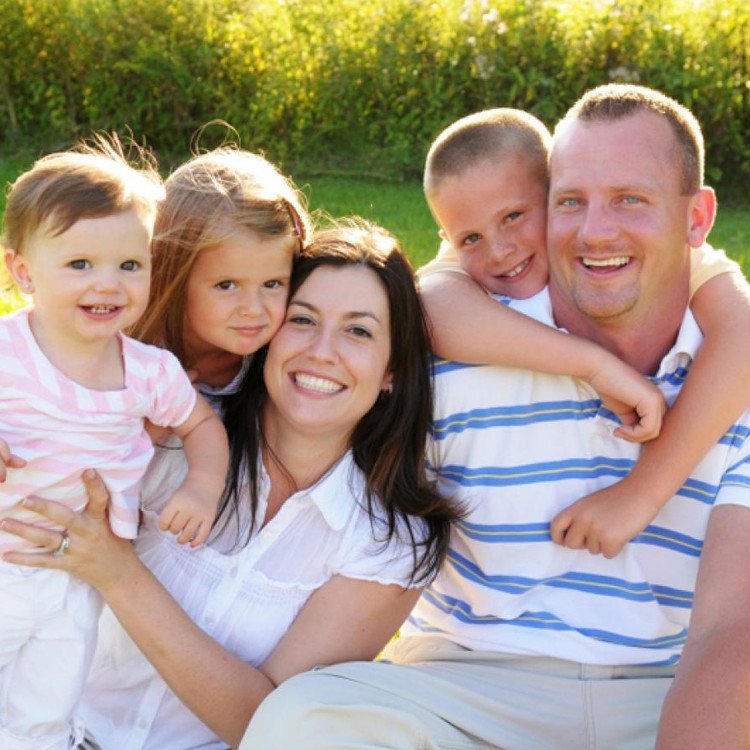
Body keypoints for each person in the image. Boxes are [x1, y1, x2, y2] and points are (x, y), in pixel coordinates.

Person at [237, 85, 750, 749]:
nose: (595, 230)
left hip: (667, 688)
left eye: (632, 199)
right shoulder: (456, 345)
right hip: (472, 688)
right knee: (304, 720)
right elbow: (425, 302)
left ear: (696, 218)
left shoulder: (728, 366)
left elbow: (732, 632)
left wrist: (643, 491)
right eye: (571, 201)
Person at [2, 218, 460, 750]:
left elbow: (269, 725)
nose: (321, 352)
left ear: (393, 370)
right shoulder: (175, 434)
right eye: (302, 319)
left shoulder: (389, 541)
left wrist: (117, 573)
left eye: (358, 330)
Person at [417, 107, 750, 558]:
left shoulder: (686, 261)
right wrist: (594, 365)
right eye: (470, 239)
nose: (498, 250)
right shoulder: (472, 264)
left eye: (515, 216)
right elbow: (429, 306)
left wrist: (642, 492)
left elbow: (743, 333)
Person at [0, 141, 228, 750]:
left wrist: (203, 487)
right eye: (80, 264)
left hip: (79, 579)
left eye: (129, 265)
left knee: (46, 709)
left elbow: (201, 426)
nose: (109, 283)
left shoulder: (150, 372)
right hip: (3, 563)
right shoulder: (7, 351)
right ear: (22, 271)